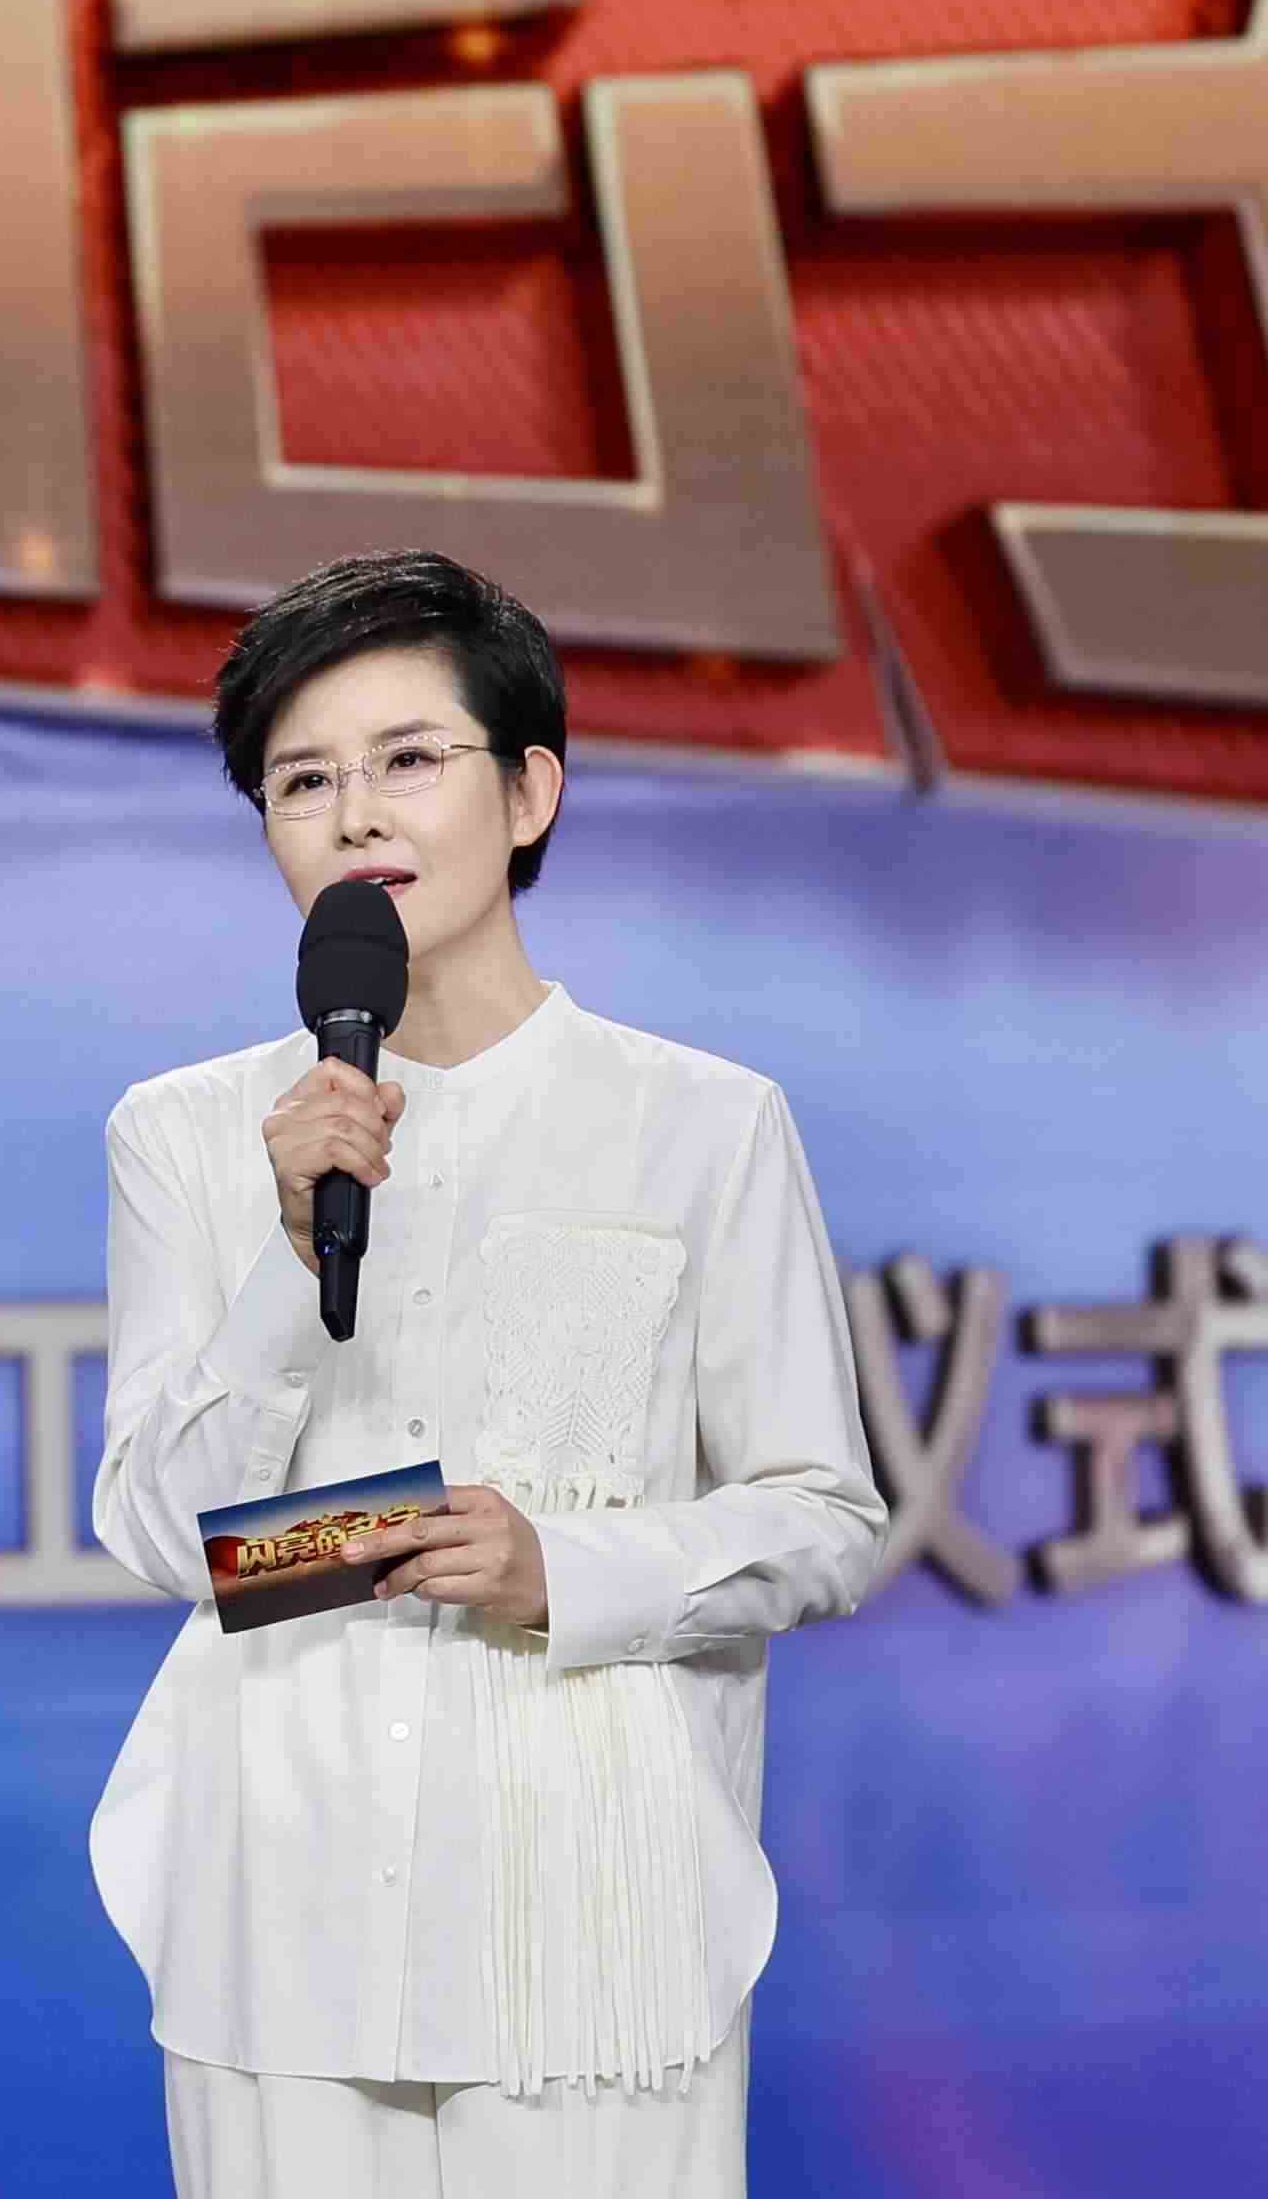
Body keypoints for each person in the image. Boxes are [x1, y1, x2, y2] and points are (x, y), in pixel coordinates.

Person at [86, 550, 885, 2196]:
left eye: (406, 759)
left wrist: (559, 1568)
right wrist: (288, 1258)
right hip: (282, 1908)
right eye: (303, 781)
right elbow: (168, 1536)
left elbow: (823, 1516)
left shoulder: (702, 1124)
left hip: (593, 1916)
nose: (355, 816)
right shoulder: (188, 1134)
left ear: (528, 792)